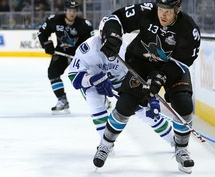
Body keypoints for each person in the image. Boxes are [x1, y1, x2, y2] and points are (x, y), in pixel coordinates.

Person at [94, 0, 201, 174]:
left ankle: (182, 149)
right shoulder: (146, 11)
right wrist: (112, 36)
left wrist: (161, 76)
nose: (163, 14)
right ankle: (105, 144)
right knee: (125, 105)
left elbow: (184, 62)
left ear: (177, 10)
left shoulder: (189, 30)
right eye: (161, 9)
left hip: (172, 69)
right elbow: (116, 18)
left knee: (183, 104)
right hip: (141, 64)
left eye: (168, 11)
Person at [67, 16, 175, 150]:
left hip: (120, 82)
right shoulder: (87, 48)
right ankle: (105, 144)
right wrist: (94, 80)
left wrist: (147, 97)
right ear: (101, 33)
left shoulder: (127, 49)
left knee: (145, 112)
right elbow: (74, 76)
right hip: (94, 82)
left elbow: (139, 74)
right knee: (95, 102)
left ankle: (173, 139)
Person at [37, 0, 94, 114]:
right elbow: (42, 33)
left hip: (78, 55)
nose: (71, 13)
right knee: (52, 73)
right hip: (61, 53)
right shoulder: (55, 20)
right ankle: (62, 101)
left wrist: (86, 56)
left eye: (74, 10)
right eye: (69, 10)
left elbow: (91, 42)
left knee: (85, 77)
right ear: (65, 10)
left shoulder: (84, 25)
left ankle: (101, 99)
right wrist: (47, 44)